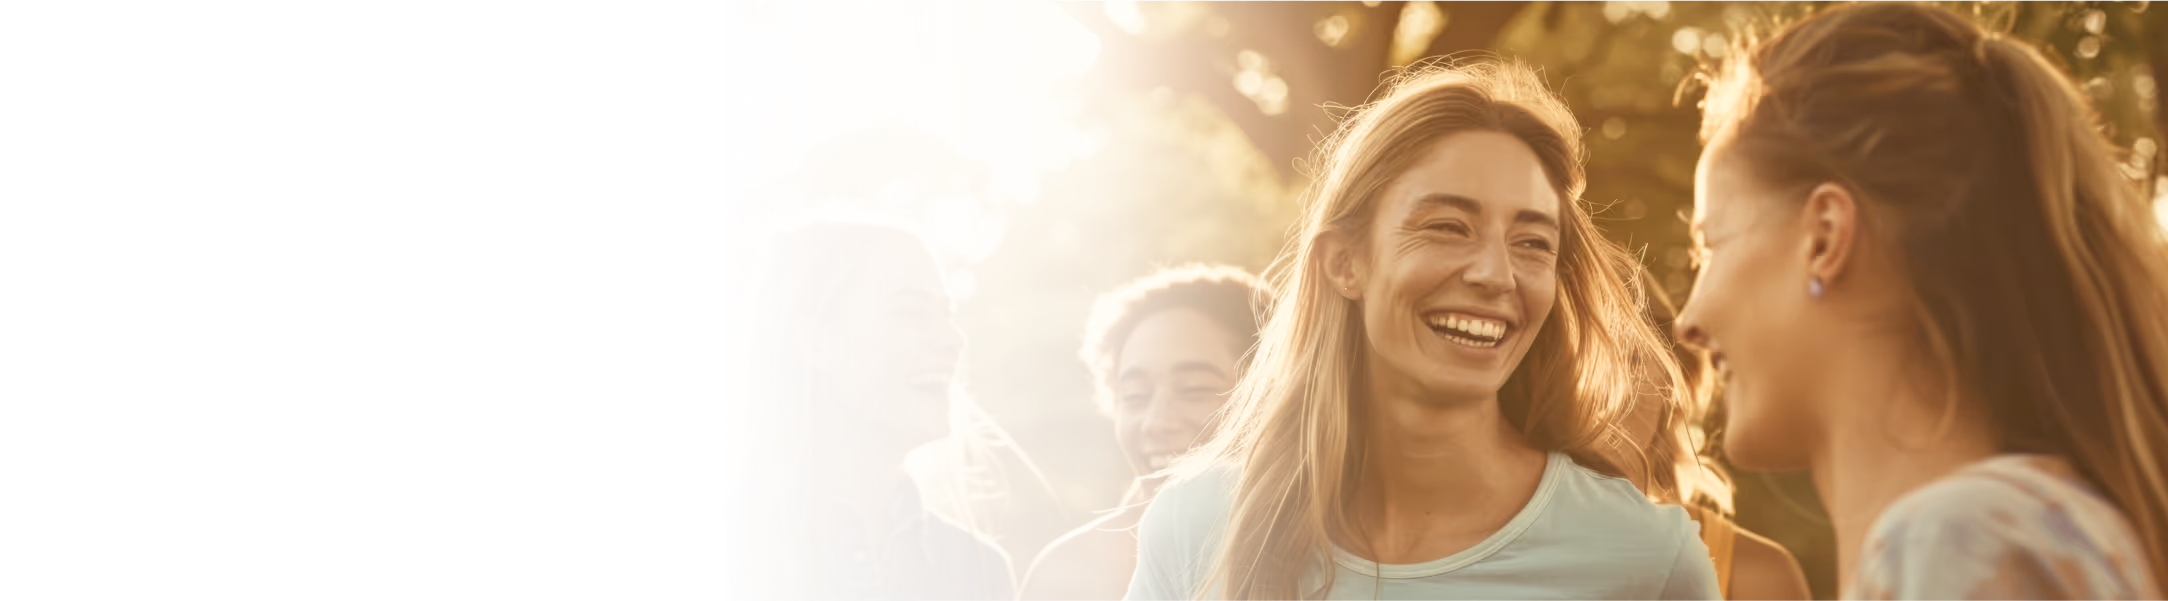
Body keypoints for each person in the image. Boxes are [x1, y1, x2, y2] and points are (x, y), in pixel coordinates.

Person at [1124, 56, 1722, 601]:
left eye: (1532, 242)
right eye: (1448, 227)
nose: (1497, 275)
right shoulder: (1195, 526)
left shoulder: (1643, 558)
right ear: (1344, 263)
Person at [1678, 2, 2168, 598]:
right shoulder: (2031, 532)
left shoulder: (1962, 541)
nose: (1688, 321)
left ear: (1825, 237)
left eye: (1709, 247)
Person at [723, 210, 1028, 601]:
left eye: (947, 314)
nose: (954, 338)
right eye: (911, 311)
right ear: (816, 342)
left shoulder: (982, 573)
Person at [1018, 264, 1269, 601]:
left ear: (1273, 394)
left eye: (1193, 389)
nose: (1154, 422)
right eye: (1135, 395)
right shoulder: (1070, 579)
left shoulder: (1332, 541)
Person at [1608, 271, 1811, 600]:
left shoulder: (1755, 577)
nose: (1597, 388)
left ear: (1674, 379)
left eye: (1629, 358)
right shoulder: (1515, 558)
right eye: (1569, 362)